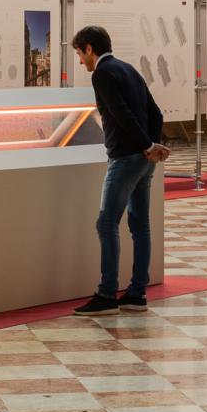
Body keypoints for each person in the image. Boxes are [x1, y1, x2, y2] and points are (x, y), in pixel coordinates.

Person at [72, 25, 169, 315]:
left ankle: (106, 294)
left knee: (106, 223)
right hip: (142, 159)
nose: (80, 61)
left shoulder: (102, 73)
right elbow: (156, 112)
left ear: (89, 48)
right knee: (140, 225)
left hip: (125, 158)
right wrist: (152, 144)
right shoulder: (129, 69)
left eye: (79, 54)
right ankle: (137, 293)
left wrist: (145, 145)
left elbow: (120, 114)